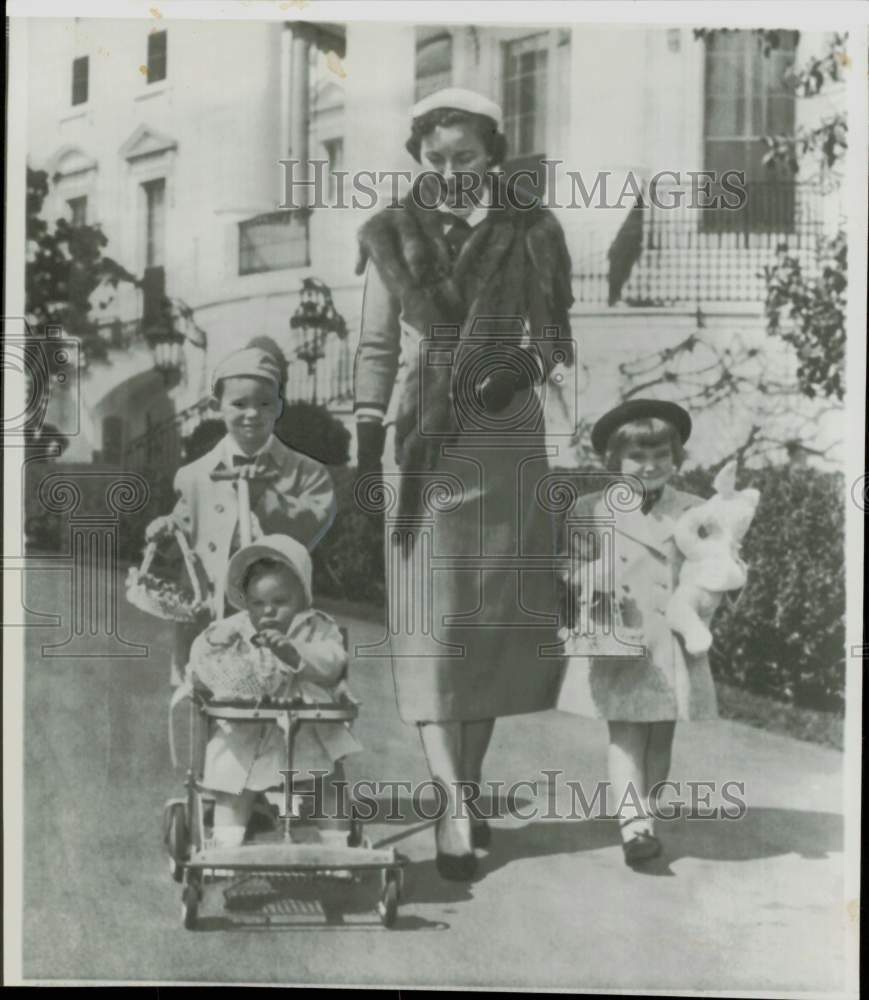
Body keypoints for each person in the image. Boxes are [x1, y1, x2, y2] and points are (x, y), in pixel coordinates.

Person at [353, 87, 574, 880]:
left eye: (465, 158)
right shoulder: (389, 235)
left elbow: (553, 338)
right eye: (434, 158)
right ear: (419, 158)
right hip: (419, 450)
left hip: (505, 440)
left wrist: (515, 369)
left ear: (493, 157)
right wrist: (367, 429)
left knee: (480, 630)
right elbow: (375, 349)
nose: (449, 172)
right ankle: (449, 800)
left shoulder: (531, 231)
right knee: (433, 632)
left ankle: (469, 790)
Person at [556, 399, 719, 866]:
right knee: (626, 731)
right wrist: (584, 580)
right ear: (615, 461)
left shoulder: (695, 512)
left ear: (676, 458)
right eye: (637, 458)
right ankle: (634, 827)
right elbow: (571, 568)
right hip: (620, 634)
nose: (650, 467)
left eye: (661, 456)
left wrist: (708, 600)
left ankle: (647, 813)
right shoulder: (592, 510)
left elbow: (717, 570)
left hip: (671, 638)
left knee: (661, 735)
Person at [145, 346, 337, 683]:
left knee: (269, 700)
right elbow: (185, 535)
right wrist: (166, 532)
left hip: (273, 622)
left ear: (279, 407)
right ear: (217, 407)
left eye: (264, 404)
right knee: (198, 702)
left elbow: (312, 524)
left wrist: (267, 498)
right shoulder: (196, 474)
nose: (252, 414)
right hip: (204, 617)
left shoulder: (307, 473)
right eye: (239, 404)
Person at [186, 534, 361, 847]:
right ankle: (226, 845)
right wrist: (213, 640)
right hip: (249, 725)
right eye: (257, 603)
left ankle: (338, 845)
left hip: (307, 725)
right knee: (234, 782)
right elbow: (205, 659)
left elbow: (334, 661)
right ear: (245, 601)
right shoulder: (237, 627)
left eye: (280, 602)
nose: (267, 612)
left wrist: (297, 654)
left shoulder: (317, 626)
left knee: (329, 782)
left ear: (301, 597)